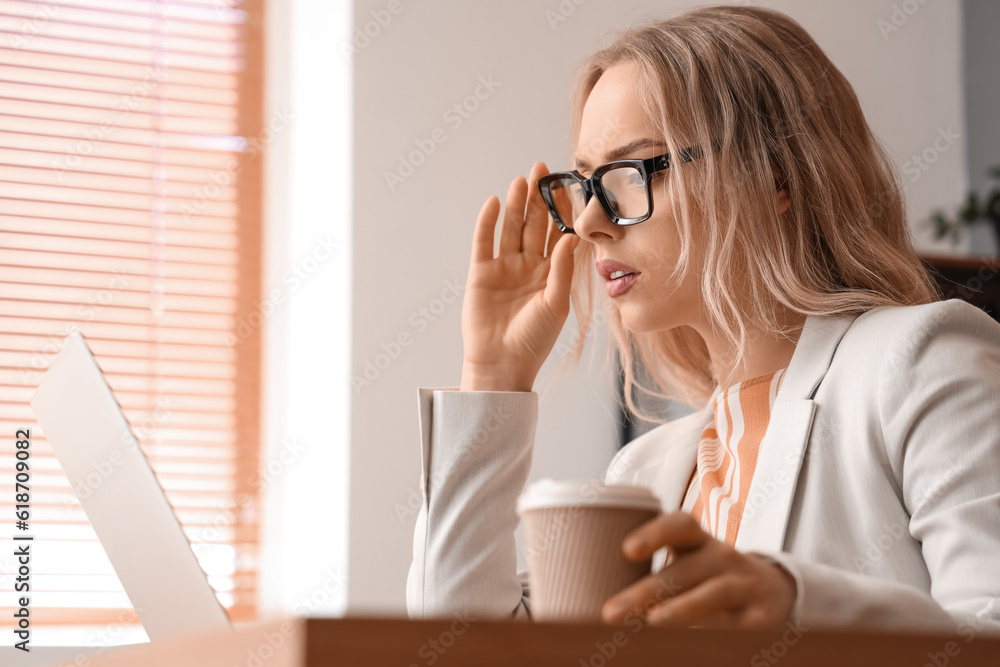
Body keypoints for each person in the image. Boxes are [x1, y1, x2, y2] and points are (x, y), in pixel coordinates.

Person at [406, 5, 1000, 634]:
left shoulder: (922, 362)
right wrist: (492, 374)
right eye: (584, 183)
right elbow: (460, 641)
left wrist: (796, 604)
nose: (586, 223)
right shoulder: (649, 469)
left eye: (629, 172)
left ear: (773, 174)